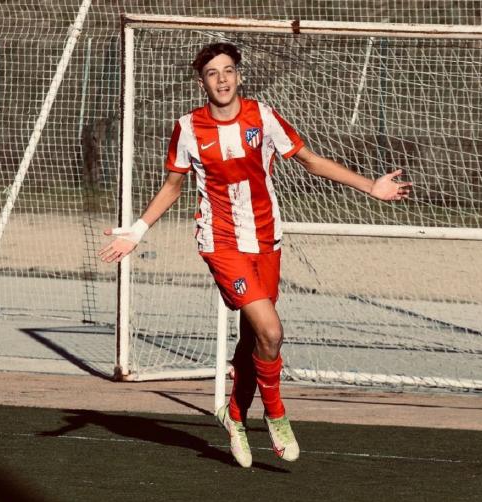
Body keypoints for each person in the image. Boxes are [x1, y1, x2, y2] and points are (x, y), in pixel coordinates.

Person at [99, 42, 411, 468]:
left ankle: (233, 415)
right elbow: (172, 187)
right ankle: (277, 415)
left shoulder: (262, 116)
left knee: (255, 339)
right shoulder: (188, 128)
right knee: (272, 330)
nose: (222, 79)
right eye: (212, 73)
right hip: (221, 243)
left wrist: (370, 187)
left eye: (228, 71)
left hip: (267, 240)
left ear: (239, 77)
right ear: (201, 82)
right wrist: (136, 232)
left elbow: (310, 161)